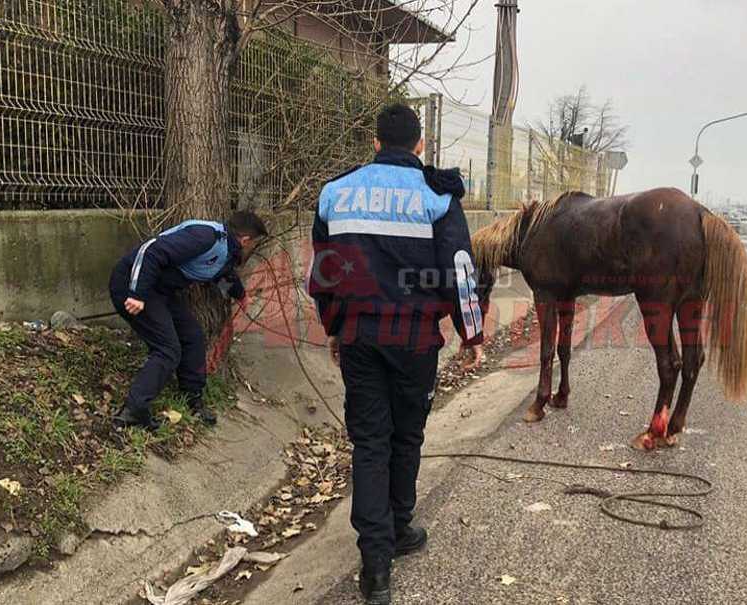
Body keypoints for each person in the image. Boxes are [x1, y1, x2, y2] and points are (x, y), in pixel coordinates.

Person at [309, 103, 484, 605]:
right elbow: (459, 270)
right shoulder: (436, 194)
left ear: (374, 141)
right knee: (406, 435)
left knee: (370, 442)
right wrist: (472, 336)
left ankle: (375, 567)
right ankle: (399, 527)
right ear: (421, 144)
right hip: (414, 341)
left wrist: (333, 328)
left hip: (360, 338)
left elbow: (324, 275)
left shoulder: (334, 193)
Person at [109, 211, 268, 431]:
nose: (252, 249)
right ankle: (132, 411)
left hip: (161, 292)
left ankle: (192, 397)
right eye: (254, 244)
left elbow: (221, 275)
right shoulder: (205, 236)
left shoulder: (226, 251)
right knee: (167, 349)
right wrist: (137, 293)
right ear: (246, 239)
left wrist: (240, 295)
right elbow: (151, 252)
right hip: (133, 287)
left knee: (193, 336)